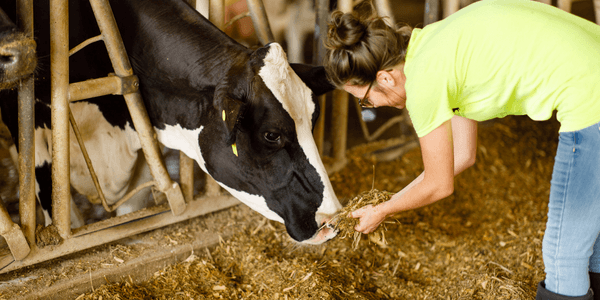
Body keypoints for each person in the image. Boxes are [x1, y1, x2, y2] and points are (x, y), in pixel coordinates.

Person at [322, 0, 600, 299]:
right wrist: (389, 202)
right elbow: (463, 156)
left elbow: (439, 185)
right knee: (591, 240)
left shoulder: (423, 82)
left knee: (562, 254)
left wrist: (382, 210)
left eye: (365, 100)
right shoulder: (434, 46)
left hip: (589, 101)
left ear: (385, 78)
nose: (372, 107)